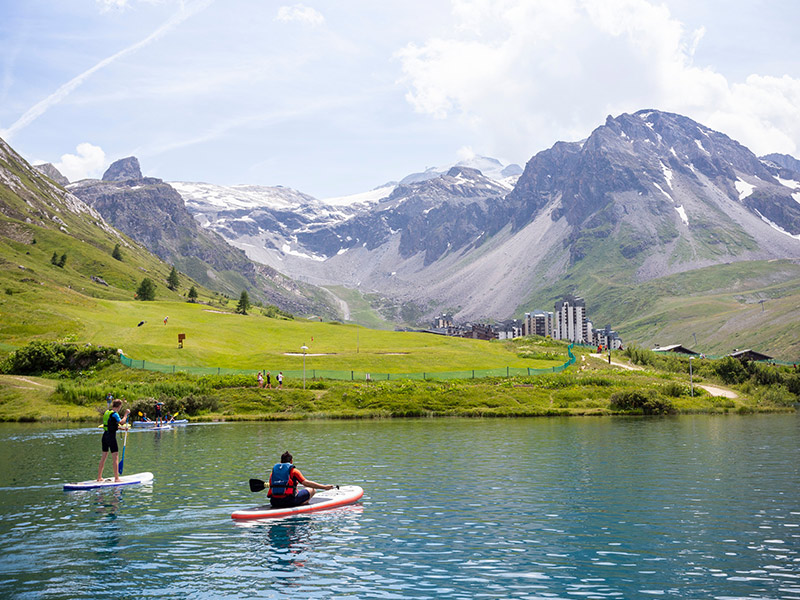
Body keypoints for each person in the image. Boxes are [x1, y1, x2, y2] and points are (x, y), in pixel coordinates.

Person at [268, 451, 334, 508]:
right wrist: (324, 487)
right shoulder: (294, 471)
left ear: (280, 461)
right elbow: (307, 483)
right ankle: (302, 504)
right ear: (291, 461)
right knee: (312, 489)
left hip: (274, 501)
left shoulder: (273, 473)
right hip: (289, 501)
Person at [97, 399, 130, 482]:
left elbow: (112, 425)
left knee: (103, 457)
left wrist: (123, 429)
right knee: (115, 457)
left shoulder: (107, 412)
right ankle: (117, 478)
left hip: (105, 436)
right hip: (111, 437)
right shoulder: (115, 414)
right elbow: (121, 422)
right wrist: (126, 414)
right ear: (119, 406)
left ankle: (99, 478)